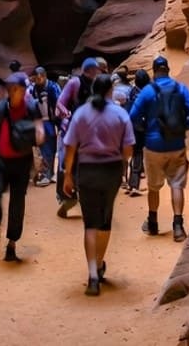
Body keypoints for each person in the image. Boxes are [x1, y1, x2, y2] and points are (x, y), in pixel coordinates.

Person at [62, 75, 135, 296]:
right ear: (110, 90)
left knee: (90, 224)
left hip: (87, 171)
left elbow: (70, 147)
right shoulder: (121, 114)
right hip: (111, 170)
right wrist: (123, 165)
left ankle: (93, 275)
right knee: (105, 220)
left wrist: (67, 175)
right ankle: (101, 262)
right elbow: (129, 148)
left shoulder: (81, 113)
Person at [129, 56, 189, 241]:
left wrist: (144, 128)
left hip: (153, 147)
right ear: (168, 70)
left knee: (154, 187)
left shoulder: (147, 91)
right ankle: (177, 226)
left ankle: (152, 223)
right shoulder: (181, 88)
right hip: (176, 145)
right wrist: (186, 126)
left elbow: (133, 116)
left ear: (154, 72)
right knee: (177, 185)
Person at [0, 71, 45, 263]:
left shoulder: (32, 107)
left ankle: (11, 244)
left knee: (17, 202)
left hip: (22, 163)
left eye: (16, 88)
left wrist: (38, 140)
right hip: (1, 162)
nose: (12, 91)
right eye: (11, 88)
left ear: (23, 89)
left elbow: (39, 128)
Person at [55, 57, 100, 217]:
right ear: (87, 69)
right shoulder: (75, 83)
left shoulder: (97, 85)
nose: (96, 71)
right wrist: (66, 113)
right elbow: (60, 102)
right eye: (94, 69)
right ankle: (67, 197)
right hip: (72, 130)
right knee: (67, 162)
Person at [29, 66, 60, 186]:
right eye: (35, 79)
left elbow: (58, 104)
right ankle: (48, 173)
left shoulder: (52, 87)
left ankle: (50, 173)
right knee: (44, 149)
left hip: (52, 122)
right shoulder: (35, 89)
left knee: (51, 149)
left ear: (43, 76)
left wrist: (58, 121)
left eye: (38, 78)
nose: (37, 81)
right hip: (40, 121)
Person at [127, 68, 150, 196]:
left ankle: (131, 184)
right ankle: (134, 185)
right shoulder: (147, 93)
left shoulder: (132, 92)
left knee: (135, 153)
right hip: (141, 127)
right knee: (138, 155)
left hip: (131, 127)